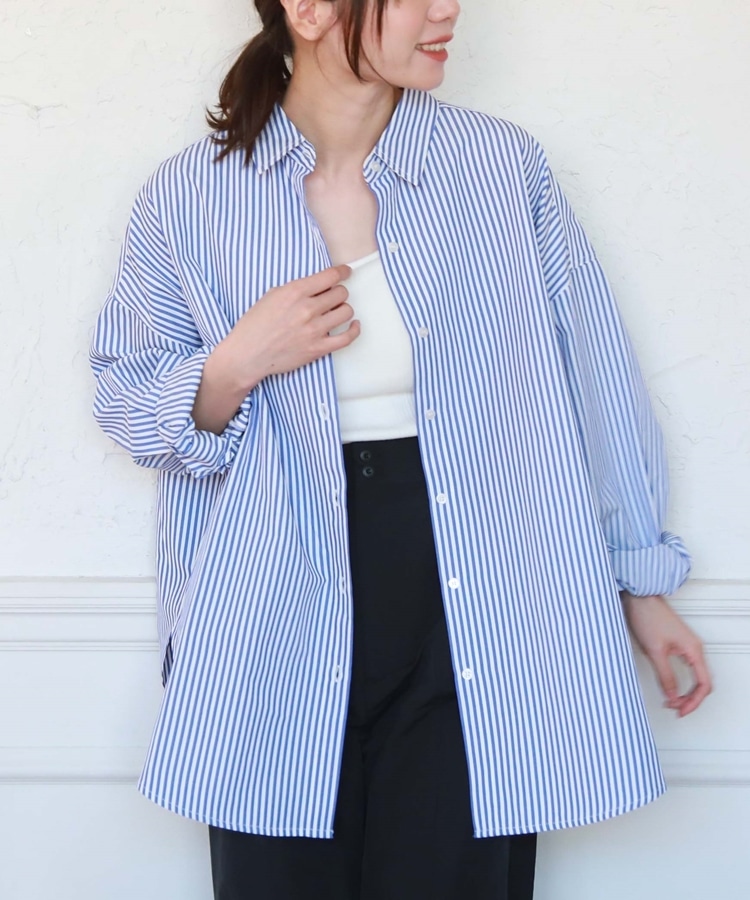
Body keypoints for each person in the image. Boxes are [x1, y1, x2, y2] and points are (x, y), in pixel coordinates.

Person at [89, 0, 713, 897]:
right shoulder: (191, 195)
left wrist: (641, 585)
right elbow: (125, 400)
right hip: (271, 596)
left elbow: (596, 376)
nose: (447, 8)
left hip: (480, 588)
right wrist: (235, 362)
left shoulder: (498, 168)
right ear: (309, 9)